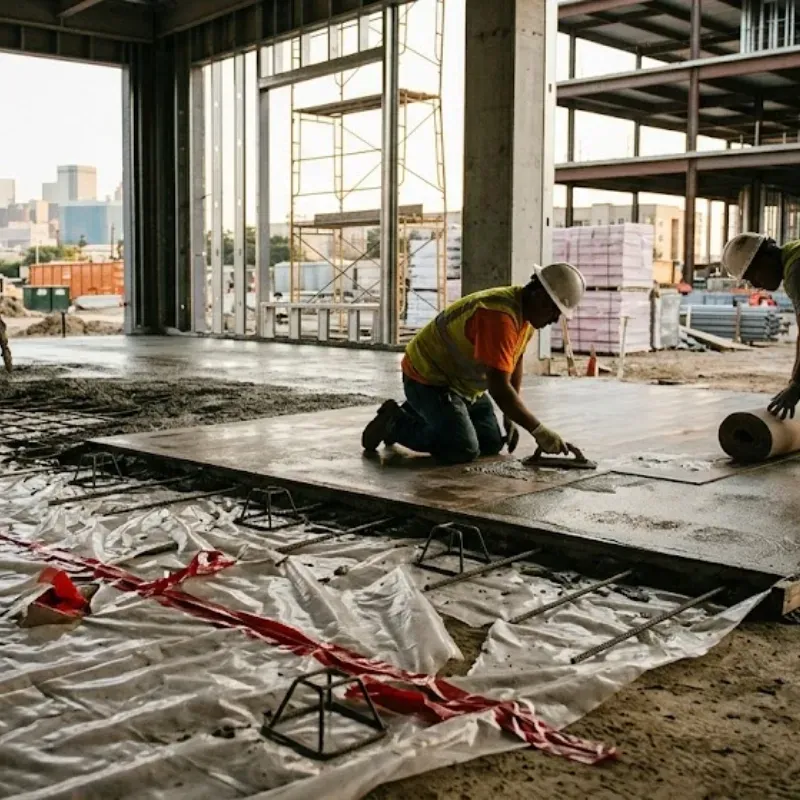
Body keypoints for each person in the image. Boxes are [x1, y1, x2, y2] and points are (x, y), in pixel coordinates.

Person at [361, 262, 586, 464]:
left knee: (490, 443)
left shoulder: (524, 316)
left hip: (462, 386)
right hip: (429, 378)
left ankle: (422, 411)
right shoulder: (499, 316)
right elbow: (498, 386)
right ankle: (394, 422)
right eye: (554, 311)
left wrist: (511, 414)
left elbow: (513, 362)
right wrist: (538, 430)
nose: (554, 320)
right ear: (538, 294)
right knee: (463, 448)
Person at [721, 233, 800, 419]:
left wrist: (796, 385)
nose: (756, 285)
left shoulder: (796, 272)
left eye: (753, 275)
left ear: (767, 256)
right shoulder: (795, 252)